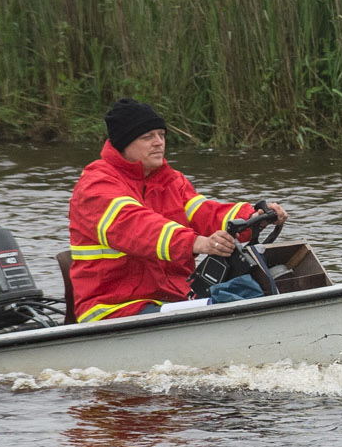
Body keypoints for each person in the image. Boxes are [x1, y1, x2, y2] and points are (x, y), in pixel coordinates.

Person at [68, 99, 287, 322]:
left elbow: (206, 213)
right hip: (115, 308)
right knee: (232, 306)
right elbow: (139, 228)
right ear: (123, 144)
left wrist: (252, 216)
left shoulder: (171, 181)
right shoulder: (95, 187)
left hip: (172, 299)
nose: (158, 143)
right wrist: (196, 243)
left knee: (249, 290)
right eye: (147, 137)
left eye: (161, 135)